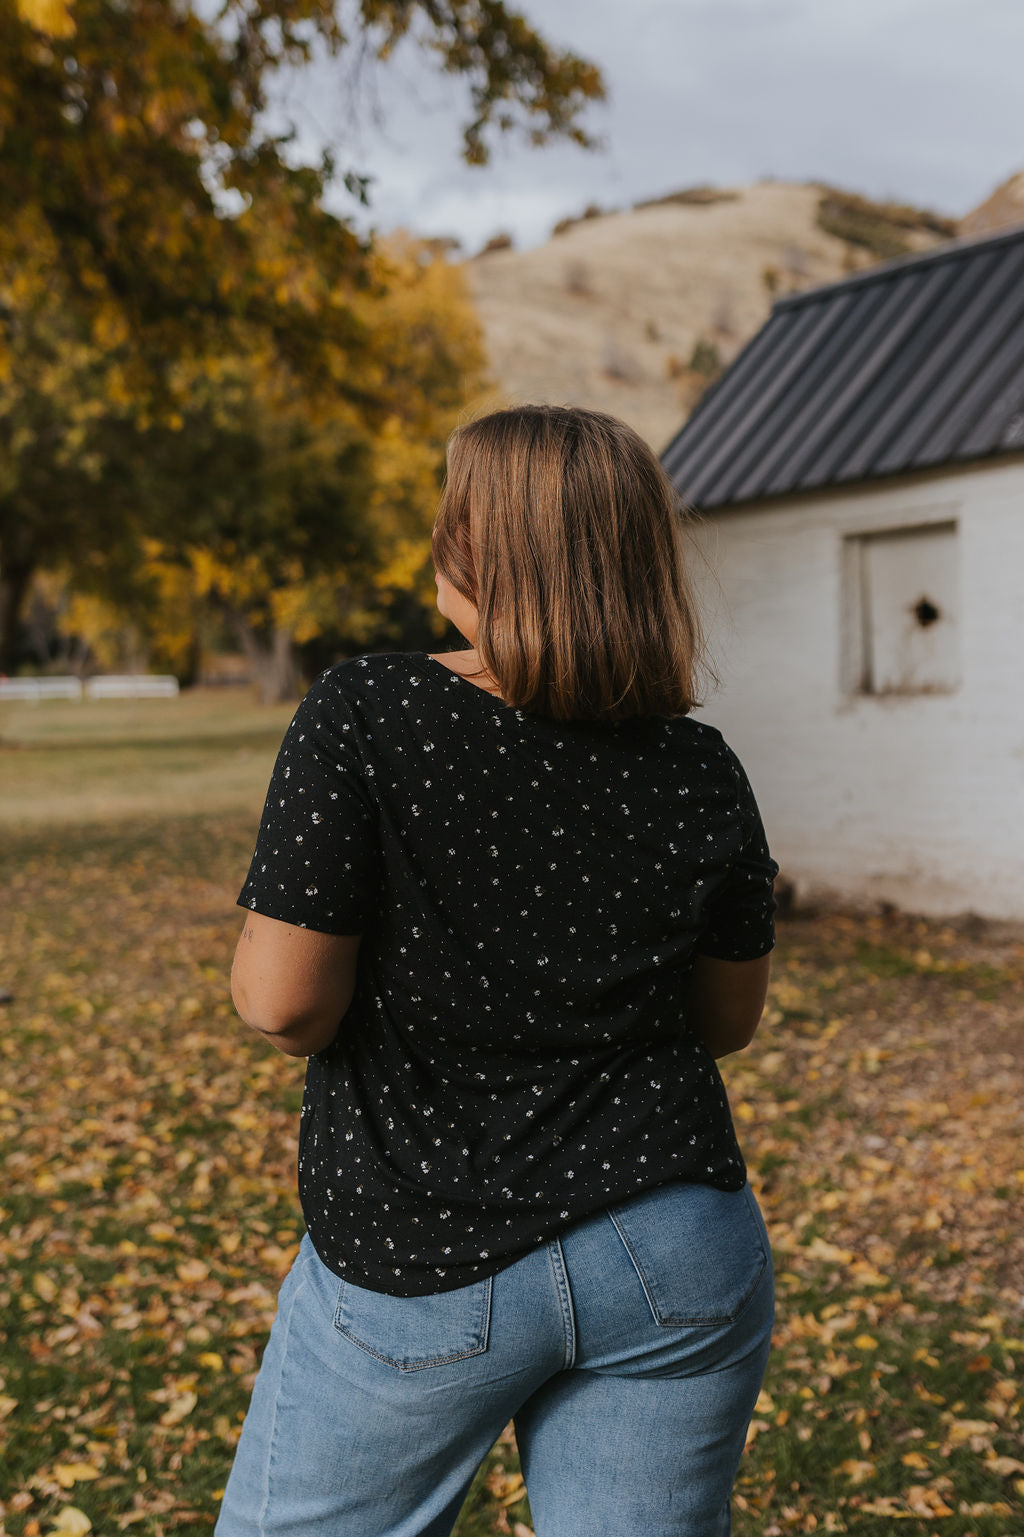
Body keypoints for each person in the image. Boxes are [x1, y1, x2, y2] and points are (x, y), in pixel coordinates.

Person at [215, 404, 779, 1537]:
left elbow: (284, 1006)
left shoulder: (368, 712)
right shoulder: (701, 764)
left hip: (424, 1248)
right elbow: (725, 1021)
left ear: (470, 547)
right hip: (672, 1252)